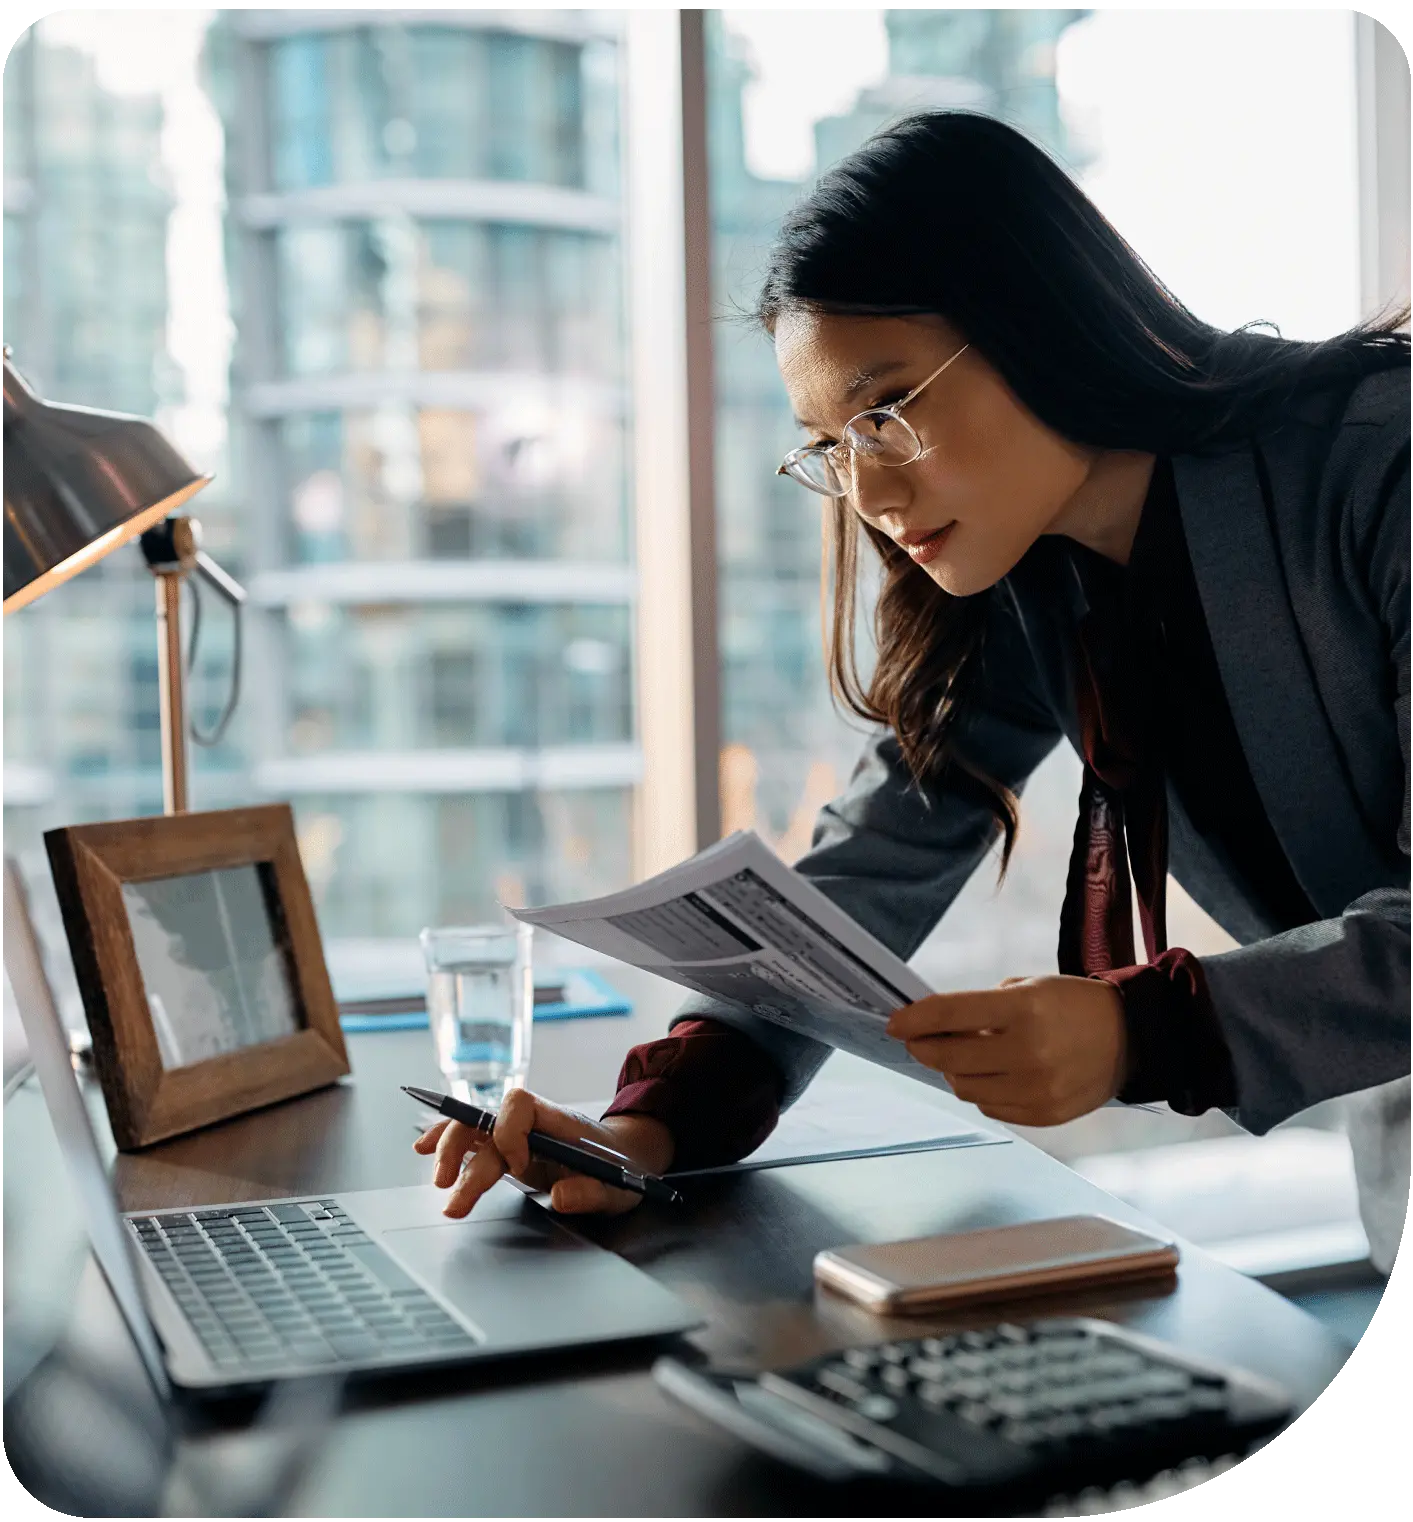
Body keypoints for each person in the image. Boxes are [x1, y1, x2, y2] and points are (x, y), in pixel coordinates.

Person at [414, 112, 1412, 1272]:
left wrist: (1144, 1031)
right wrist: (644, 1132)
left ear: (1035, 323)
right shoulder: (1028, 569)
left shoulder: (1380, 467)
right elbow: (861, 878)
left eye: (885, 413)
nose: (867, 491)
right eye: (829, 448)